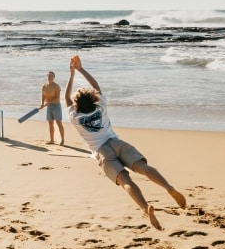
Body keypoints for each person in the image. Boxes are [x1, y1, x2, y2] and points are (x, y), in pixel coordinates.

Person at [65, 56, 186, 231]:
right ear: (93, 100)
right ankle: (168, 187)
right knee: (143, 167)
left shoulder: (75, 117)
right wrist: (80, 69)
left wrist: (70, 75)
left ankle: (146, 207)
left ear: (77, 105)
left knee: (124, 180)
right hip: (116, 143)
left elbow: (66, 97)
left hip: (102, 151)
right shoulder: (101, 107)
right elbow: (96, 86)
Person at [40, 71, 65, 145]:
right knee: (50, 123)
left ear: (54, 77)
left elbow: (57, 98)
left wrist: (48, 103)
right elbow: (43, 96)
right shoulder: (44, 86)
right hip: (49, 106)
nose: (49, 77)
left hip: (56, 105)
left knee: (58, 122)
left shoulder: (56, 86)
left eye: (51, 76)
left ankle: (62, 140)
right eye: (48, 76)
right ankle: (52, 140)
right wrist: (42, 103)